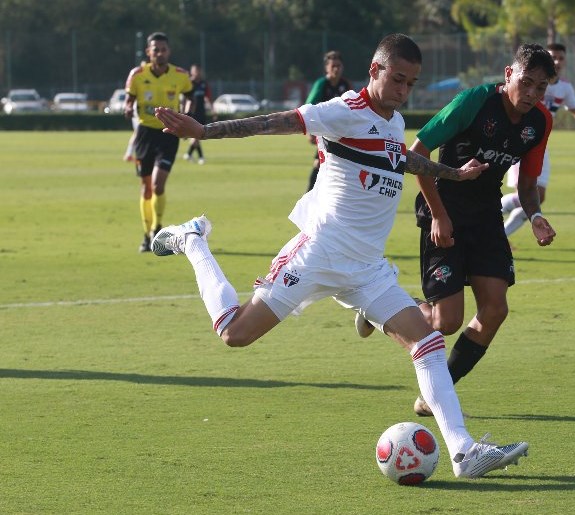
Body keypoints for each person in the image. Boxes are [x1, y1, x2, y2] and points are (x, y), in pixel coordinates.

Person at [150, 34, 529, 479]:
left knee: (426, 343)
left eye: (411, 83)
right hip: (319, 253)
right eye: (398, 79)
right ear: (374, 71)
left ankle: (464, 452)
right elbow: (278, 122)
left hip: (368, 268)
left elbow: (401, 159)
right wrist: (206, 131)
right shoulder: (344, 110)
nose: (404, 90)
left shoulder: (392, 121)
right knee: (235, 334)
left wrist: (453, 174)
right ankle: (193, 240)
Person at [356, 43, 558, 418]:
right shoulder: (475, 102)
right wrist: (438, 215)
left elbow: (527, 188)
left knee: (495, 309)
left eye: (541, 88)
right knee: (445, 322)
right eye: (526, 82)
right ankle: (377, 310)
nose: (531, 94)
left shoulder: (540, 123)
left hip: (485, 216)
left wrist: (535, 217)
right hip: (444, 207)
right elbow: (417, 152)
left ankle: (437, 393)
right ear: (508, 74)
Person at [501, 42, 575, 237]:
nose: (557, 61)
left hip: (540, 144)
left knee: (538, 196)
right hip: (520, 140)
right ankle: (493, 222)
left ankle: (500, 234)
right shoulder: (528, 81)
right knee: (526, 194)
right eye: (552, 57)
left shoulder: (564, 88)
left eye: (561, 58)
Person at [123, 32, 193, 253]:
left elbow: (190, 96)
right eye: (156, 49)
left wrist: (186, 116)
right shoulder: (137, 75)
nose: (160, 53)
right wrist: (126, 107)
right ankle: (146, 235)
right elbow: (129, 98)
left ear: (168, 51)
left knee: (157, 185)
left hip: (168, 134)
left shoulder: (180, 75)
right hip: (145, 134)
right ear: (148, 52)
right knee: (145, 188)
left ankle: (156, 228)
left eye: (163, 49)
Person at [304, 50, 352, 191]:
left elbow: (353, 108)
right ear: (327, 68)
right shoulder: (322, 84)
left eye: (339, 65)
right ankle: (310, 195)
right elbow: (309, 106)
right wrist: (309, 131)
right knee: (320, 163)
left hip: (341, 133)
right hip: (324, 132)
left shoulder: (346, 85)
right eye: (333, 66)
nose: (336, 69)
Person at [183, 64, 215, 165]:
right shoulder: (189, 83)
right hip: (192, 113)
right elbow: (184, 99)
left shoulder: (203, 84)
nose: (197, 73)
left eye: (199, 71)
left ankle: (189, 154)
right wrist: (184, 112)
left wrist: (213, 110)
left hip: (202, 113)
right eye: (195, 71)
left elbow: (208, 98)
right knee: (196, 135)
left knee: (198, 135)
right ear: (192, 72)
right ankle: (200, 157)